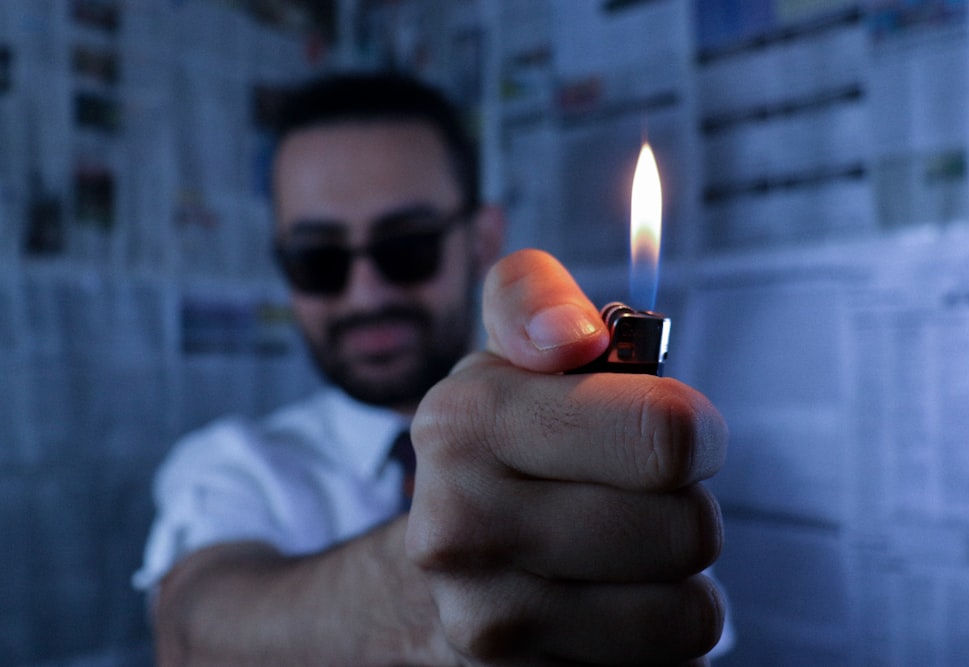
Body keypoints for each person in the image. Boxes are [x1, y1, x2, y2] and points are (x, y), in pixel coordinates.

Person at [135, 71, 731, 665]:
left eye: (406, 246)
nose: (365, 296)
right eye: (318, 259)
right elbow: (191, 634)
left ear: (480, 240)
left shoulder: (577, 458)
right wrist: (432, 597)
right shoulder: (234, 463)